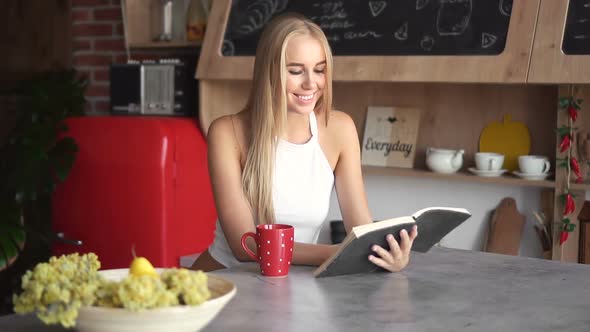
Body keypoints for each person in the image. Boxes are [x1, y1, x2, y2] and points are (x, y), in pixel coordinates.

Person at [191, 13, 418, 273]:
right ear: (269, 72)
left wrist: (386, 254)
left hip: (291, 286)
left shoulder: (340, 129)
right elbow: (246, 246)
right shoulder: (227, 132)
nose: (311, 83)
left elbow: (361, 228)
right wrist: (337, 253)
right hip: (224, 279)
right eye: (296, 71)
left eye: (319, 69)